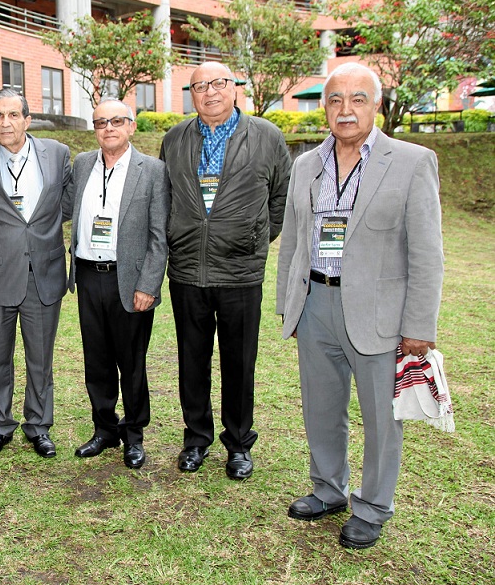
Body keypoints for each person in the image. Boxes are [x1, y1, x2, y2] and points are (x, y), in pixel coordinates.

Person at [276, 63, 444, 549]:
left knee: (379, 418)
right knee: (321, 408)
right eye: (335, 100)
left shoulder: (412, 161)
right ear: (324, 107)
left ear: (377, 105)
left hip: (380, 315)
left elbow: (427, 252)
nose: (345, 110)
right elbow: (295, 240)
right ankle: (328, 489)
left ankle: (372, 507)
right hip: (315, 305)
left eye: (358, 99)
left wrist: (418, 325)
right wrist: (291, 302)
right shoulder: (306, 164)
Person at [159, 61, 291, 480]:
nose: (210, 92)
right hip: (187, 271)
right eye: (200, 86)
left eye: (218, 83)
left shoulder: (267, 136)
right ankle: (196, 438)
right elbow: (165, 197)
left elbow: (282, 196)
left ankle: (238, 443)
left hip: (240, 273)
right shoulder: (174, 138)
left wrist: (255, 238)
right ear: (191, 94)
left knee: (239, 361)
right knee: (191, 360)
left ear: (235, 88)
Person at [0, 89, 73, 459]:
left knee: (40, 357)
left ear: (27, 119)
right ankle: (0, 426)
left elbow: (68, 204)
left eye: (13, 115)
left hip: (43, 273)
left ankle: (39, 426)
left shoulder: (56, 154)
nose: (5, 122)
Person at [67, 98, 168, 469]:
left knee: (132, 362)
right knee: (97, 360)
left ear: (131, 126)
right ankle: (105, 429)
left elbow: (159, 235)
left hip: (131, 282)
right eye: (100, 122)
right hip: (89, 277)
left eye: (116, 121)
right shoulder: (81, 165)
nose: (108, 128)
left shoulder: (153, 170)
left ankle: (134, 434)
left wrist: (149, 285)